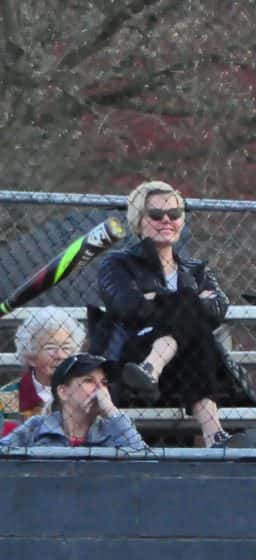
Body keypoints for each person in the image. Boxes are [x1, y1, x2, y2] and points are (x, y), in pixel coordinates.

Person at [92, 180, 245, 447]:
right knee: (189, 308)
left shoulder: (196, 269)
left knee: (193, 323)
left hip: (183, 362)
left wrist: (156, 297)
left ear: (182, 221)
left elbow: (218, 309)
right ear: (139, 221)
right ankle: (213, 432)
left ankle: (153, 366)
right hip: (135, 353)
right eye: (156, 214)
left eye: (174, 214)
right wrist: (186, 300)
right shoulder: (118, 263)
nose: (166, 220)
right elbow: (128, 308)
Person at [0, 353, 147, 450]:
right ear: (63, 392)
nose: (100, 389)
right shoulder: (36, 427)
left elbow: (144, 461)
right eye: (89, 380)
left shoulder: (115, 429)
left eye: (104, 382)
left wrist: (111, 411)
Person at [0, 306, 85, 445]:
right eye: (50, 348)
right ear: (31, 356)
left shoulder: (85, 392)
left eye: (66, 348)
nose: (60, 356)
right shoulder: (4, 398)